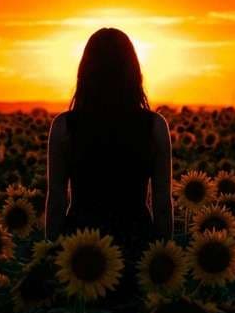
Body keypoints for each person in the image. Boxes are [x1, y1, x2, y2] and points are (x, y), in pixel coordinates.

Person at [44, 29, 173, 264]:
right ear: (133, 72)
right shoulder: (154, 127)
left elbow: (56, 201)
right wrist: (164, 263)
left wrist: (49, 257)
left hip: (79, 253)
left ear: (85, 72)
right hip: (137, 249)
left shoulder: (64, 127)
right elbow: (162, 202)